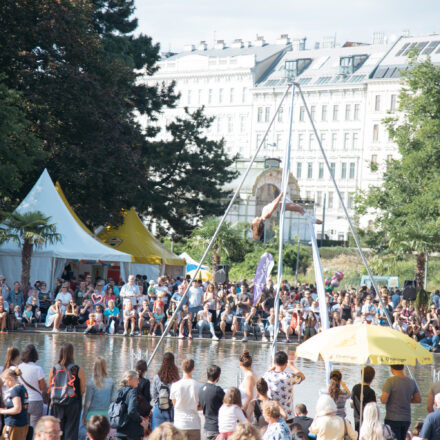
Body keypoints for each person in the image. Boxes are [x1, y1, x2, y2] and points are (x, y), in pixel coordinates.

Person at [49, 343, 85, 440]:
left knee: (56, 430)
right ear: (72, 353)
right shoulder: (77, 369)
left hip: (56, 403)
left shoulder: (54, 368)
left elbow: (50, 386)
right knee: (71, 430)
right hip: (72, 403)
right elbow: (82, 390)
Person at [251, 192, 322, 240]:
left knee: (299, 208)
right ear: (257, 223)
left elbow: (272, 203)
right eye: (254, 220)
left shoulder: (263, 216)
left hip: (280, 204)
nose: (254, 218)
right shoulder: (265, 216)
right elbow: (274, 206)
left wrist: (279, 197)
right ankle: (312, 219)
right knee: (300, 209)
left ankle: (311, 219)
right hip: (281, 206)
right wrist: (280, 195)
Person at [380, 364, 421, 440]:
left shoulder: (390, 381)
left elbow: (384, 400)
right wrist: (406, 399)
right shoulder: (411, 382)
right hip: (406, 419)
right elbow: (418, 399)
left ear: (391, 368)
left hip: (392, 418)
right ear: (403, 367)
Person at [263, 351, 305, 422]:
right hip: (287, 415)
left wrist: (274, 365)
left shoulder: (267, 375)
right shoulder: (289, 377)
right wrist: (292, 365)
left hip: (271, 414)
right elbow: (302, 377)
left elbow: (267, 372)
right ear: (286, 363)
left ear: (274, 363)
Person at [170, 358, 202, 440]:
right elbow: (200, 405)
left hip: (179, 423)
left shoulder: (175, 386)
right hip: (194, 424)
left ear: (181, 367)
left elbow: (174, 404)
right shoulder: (199, 386)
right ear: (193, 368)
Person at [18, 344, 47, 431]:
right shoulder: (38, 369)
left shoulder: (18, 368)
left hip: (22, 400)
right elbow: (42, 387)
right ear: (35, 355)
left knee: (23, 428)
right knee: (35, 429)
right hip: (35, 401)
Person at [113, 370, 146, 440]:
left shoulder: (120, 391)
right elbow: (131, 410)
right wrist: (140, 420)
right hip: (131, 432)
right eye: (136, 379)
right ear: (129, 380)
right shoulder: (132, 392)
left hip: (120, 430)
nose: (138, 381)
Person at [151, 352, 180, 429]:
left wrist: (156, 404)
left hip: (159, 408)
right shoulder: (177, 378)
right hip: (172, 410)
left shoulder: (157, 377)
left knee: (157, 435)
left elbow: (153, 394)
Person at [0, 368, 29, 440]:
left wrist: (2, 411)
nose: (5, 384)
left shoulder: (15, 390)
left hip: (13, 424)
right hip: (22, 423)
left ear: (10, 378)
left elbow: (17, 409)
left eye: (5, 381)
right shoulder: (22, 388)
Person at [83, 357, 114, 422]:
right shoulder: (111, 381)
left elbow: (88, 401)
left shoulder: (91, 382)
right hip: (106, 414)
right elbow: (111, 400)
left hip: (92, 414)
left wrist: (84, 416)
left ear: (94, 367)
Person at [199, 365, 225, 440]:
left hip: (206, 427)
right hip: (216, 427)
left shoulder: (201, 389)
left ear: (206, 375)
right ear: (218, 377)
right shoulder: (218, 390)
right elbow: (227, 404)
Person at [350, 366, 377, 432]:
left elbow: (351, 405)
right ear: (373, 378)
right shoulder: (371, 392)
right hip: (368, 422)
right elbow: (373, 410)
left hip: (357, 420)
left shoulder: (355, 388)